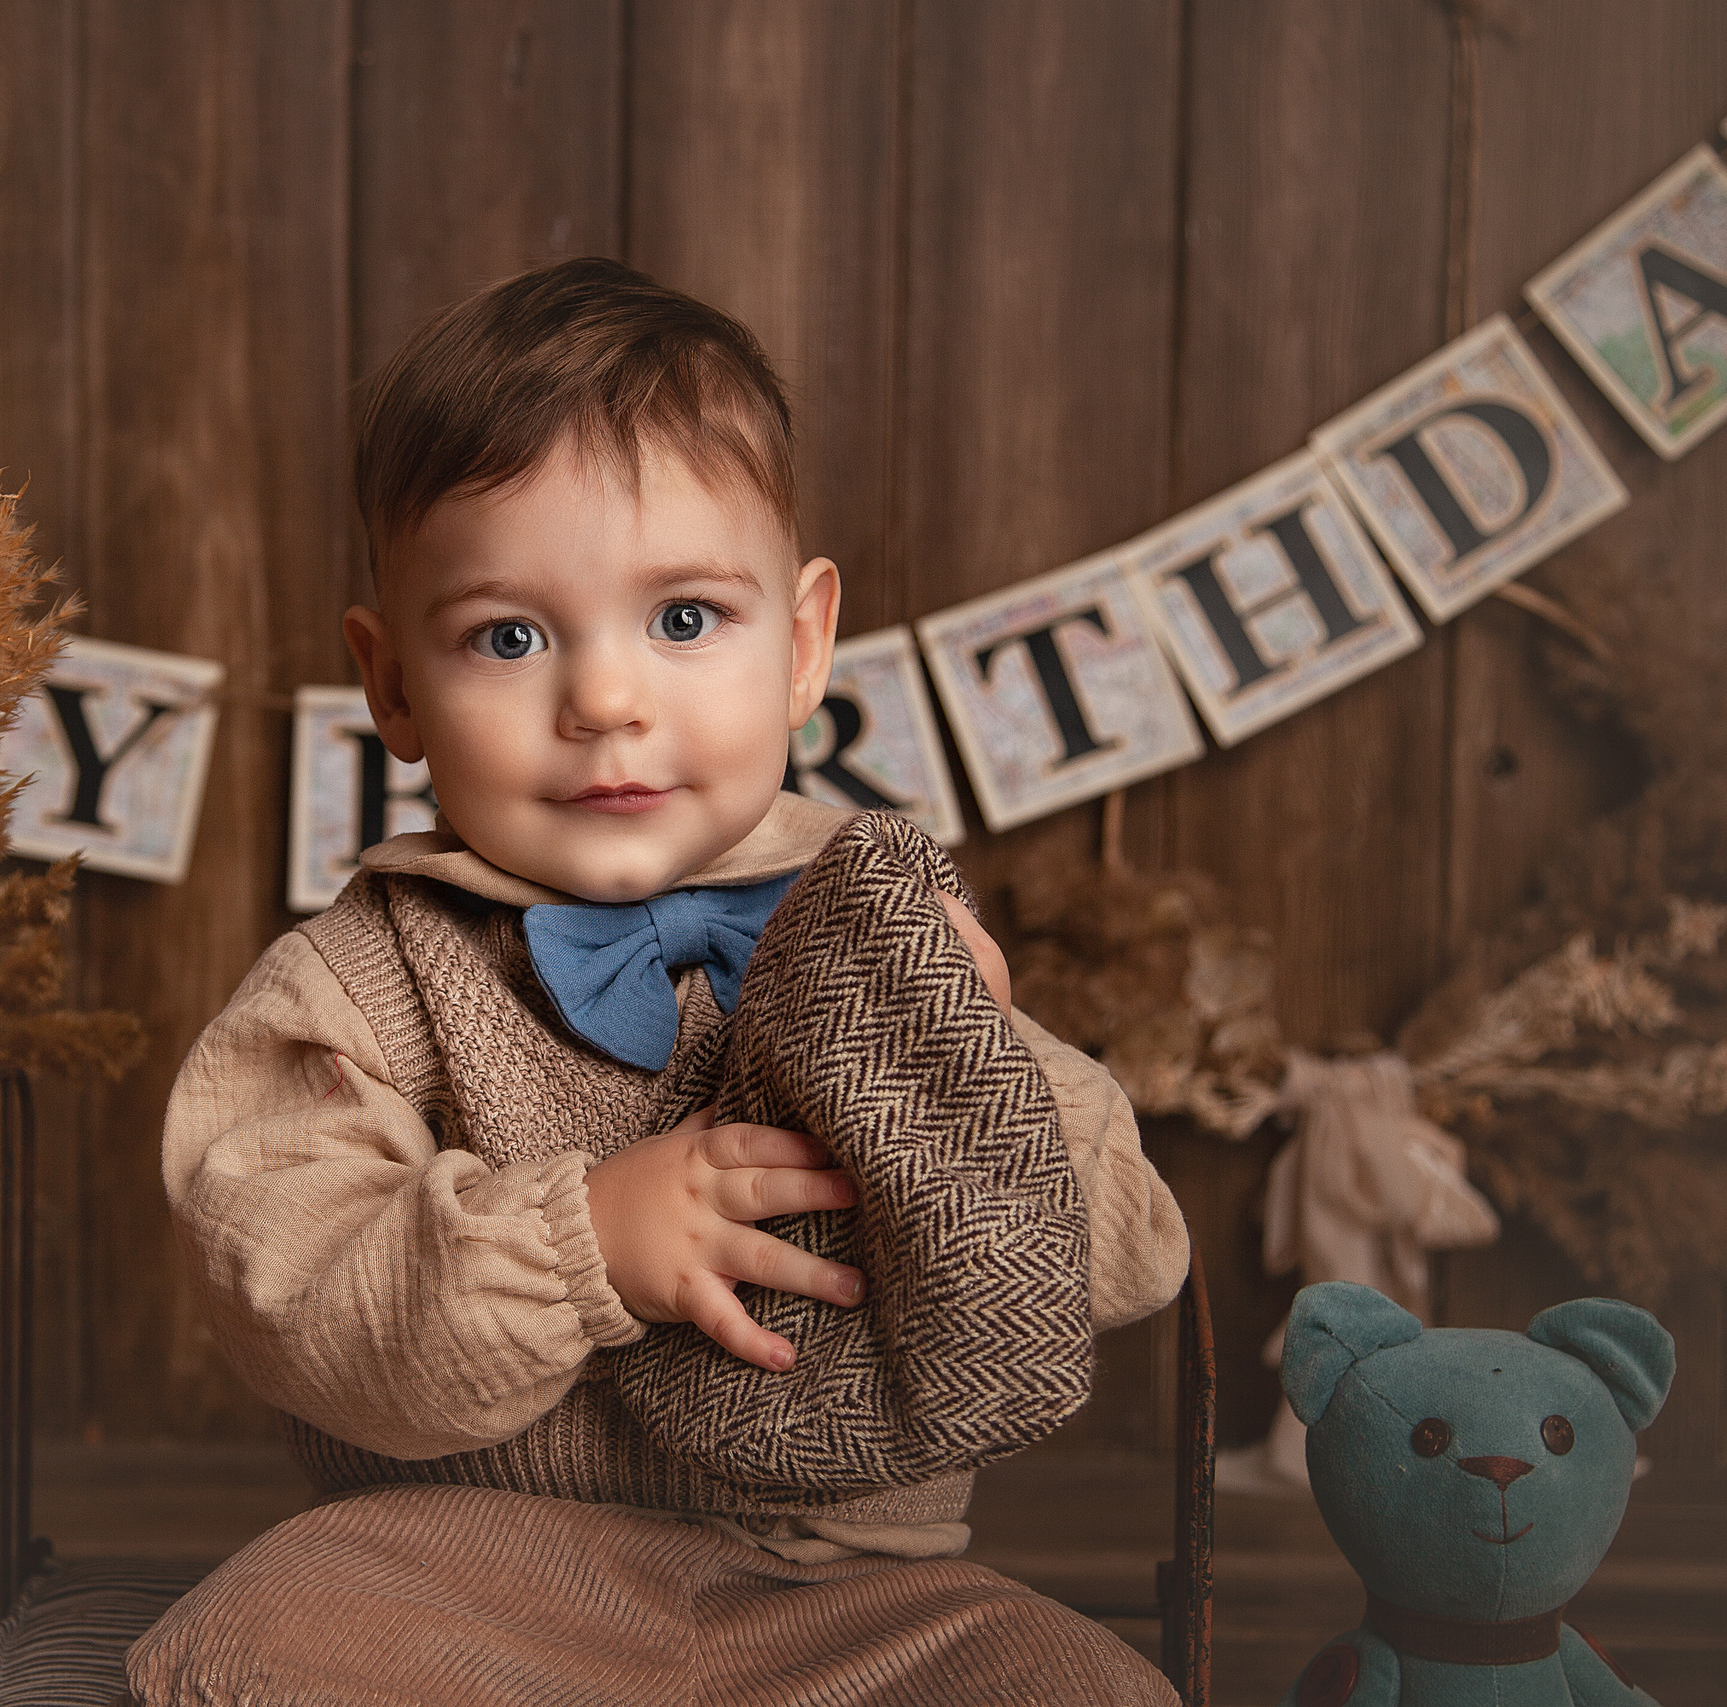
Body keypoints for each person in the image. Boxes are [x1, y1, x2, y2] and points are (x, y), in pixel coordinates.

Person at [131, 258, 1190, 1706]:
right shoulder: (358, 983)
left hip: (854, 1595)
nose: (608, 701)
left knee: (1084, 1690)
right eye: (509, 637)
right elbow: (294, 1297)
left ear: (803, 642)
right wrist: (585, 1242)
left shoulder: (890, 930)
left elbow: (1128, 1256)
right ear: (392, 690)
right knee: (251, 1639)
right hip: (463, 1574)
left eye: (685, 620)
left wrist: (977, 1063)